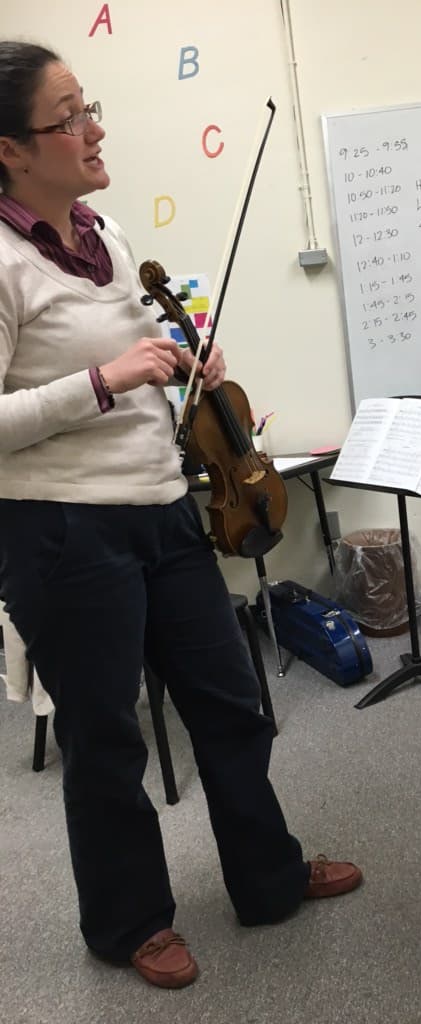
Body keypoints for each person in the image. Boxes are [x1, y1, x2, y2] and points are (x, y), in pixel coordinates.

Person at [0, 41, 362, 989]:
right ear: (9, 148)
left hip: (164, 512)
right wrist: (105, 379)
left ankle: (268, 877)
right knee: (107, 738)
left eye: (91, 107)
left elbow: (145, 346)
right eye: (69, 116)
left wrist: (184, 356)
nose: (95, 128)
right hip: (62, 530)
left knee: (231, 708)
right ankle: (128, 923)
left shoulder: (106, 235)